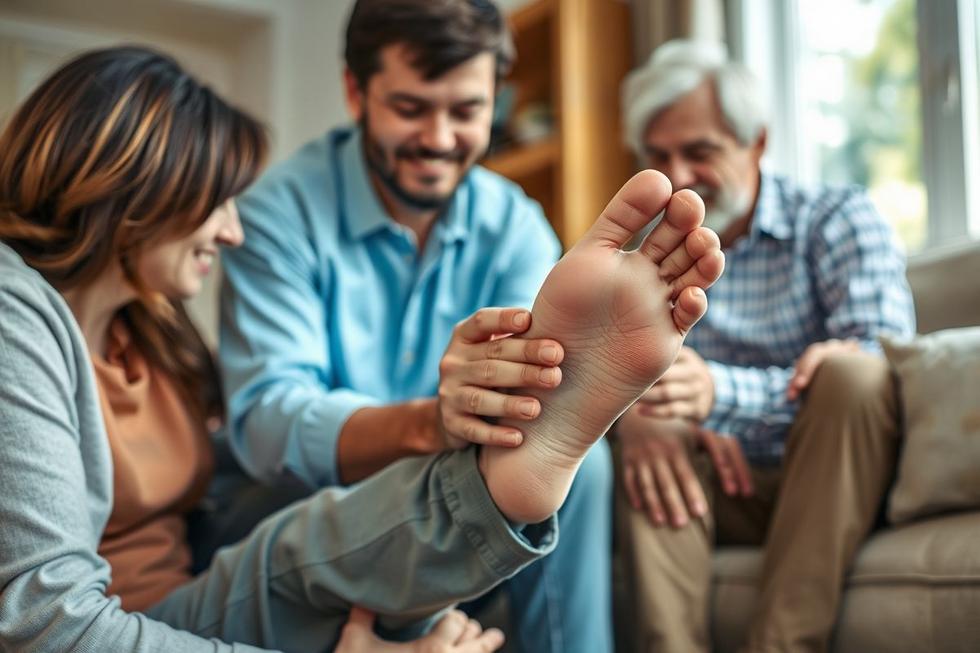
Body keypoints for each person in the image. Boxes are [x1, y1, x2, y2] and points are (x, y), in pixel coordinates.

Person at [0, 46, 724, 653]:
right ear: (137, 190)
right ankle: (496, 488)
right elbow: (50, 620)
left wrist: (533, 395)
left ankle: (498, 484)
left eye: (467, 109)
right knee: (301, 536)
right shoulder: (18, 315)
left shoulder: (148, 325)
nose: (231, 231)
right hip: (146, 613)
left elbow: (205, 471)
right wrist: (427, 425)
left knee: (335, 539)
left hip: (202, 580)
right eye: (213, 200)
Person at [217, 2, 616, 650]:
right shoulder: (276, 215)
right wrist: (431, 422)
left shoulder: (514, 224)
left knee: (581, 462)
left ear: (496, 99)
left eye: (466, 111)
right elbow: (268, 422)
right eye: (410, 108)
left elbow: (535, 397)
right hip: (299, 505)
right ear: (356, 91)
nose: (438, 137)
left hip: (458, 489)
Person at [613, 39, 917, 653]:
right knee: (647, 421)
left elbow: (884, 362)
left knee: (854, 379)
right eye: (658, 155)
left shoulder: (836, 218)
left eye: (700, 151)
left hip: (829, 475)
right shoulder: (642, 255)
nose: (679, 177)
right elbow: (599, 374)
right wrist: (635, 417)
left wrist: (717, 395)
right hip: (721, 485)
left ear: (757, 143)